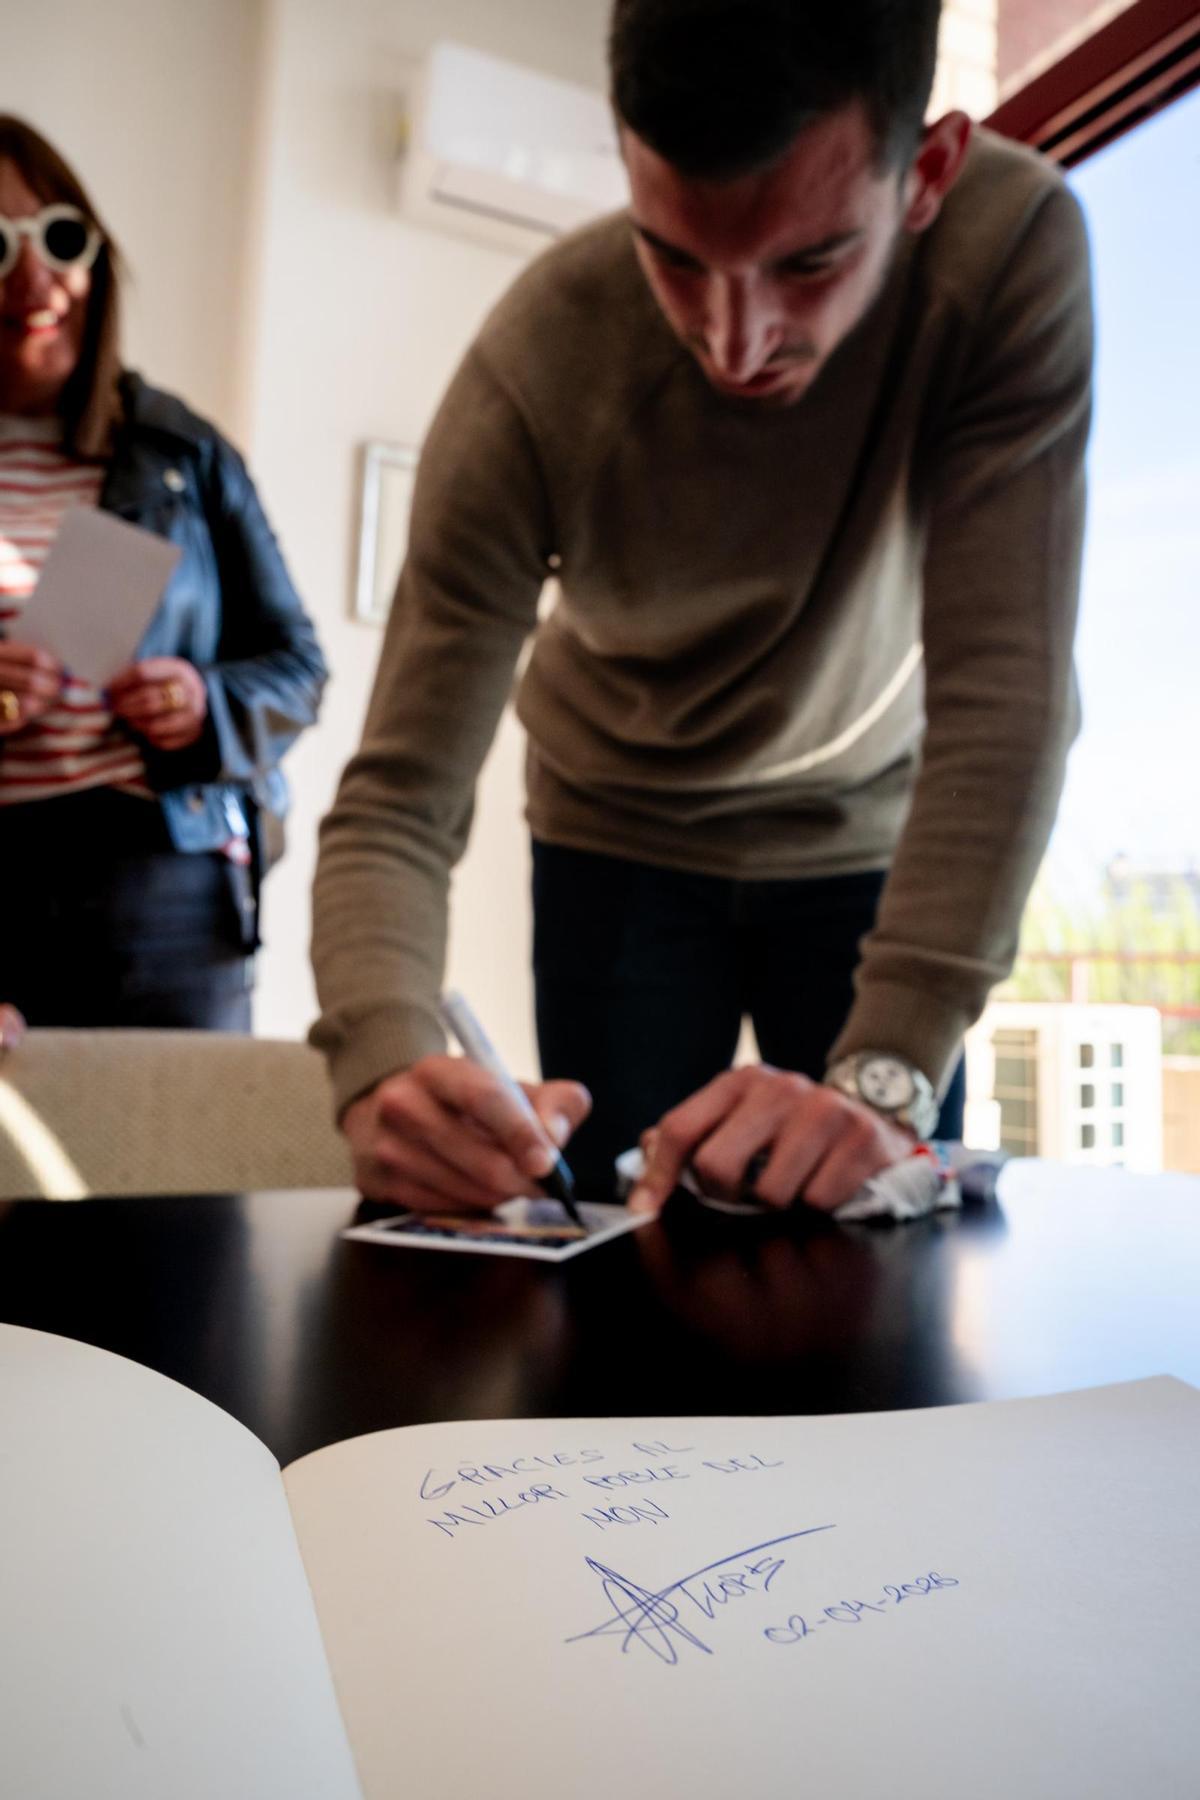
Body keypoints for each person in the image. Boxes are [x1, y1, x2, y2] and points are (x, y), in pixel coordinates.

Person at [311, 0, 1091, 1213]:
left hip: (865, 840)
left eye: (811, 261)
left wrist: (886, 1084)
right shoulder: (532, 369)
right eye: (674, 255)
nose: (738, 342)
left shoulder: (1010, 253)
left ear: (927, 173)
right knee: (611, 1250)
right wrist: (380, 1060)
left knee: (877, 1242)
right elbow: (397, 799)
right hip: (614, 840)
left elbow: (1006, 697)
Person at [0, 117, 327, 1030]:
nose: (34, 278)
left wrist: (202, 702)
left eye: (60, 236)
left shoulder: (182, 451)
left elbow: (297, 666)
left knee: (174, 1162)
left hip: (163, 878)